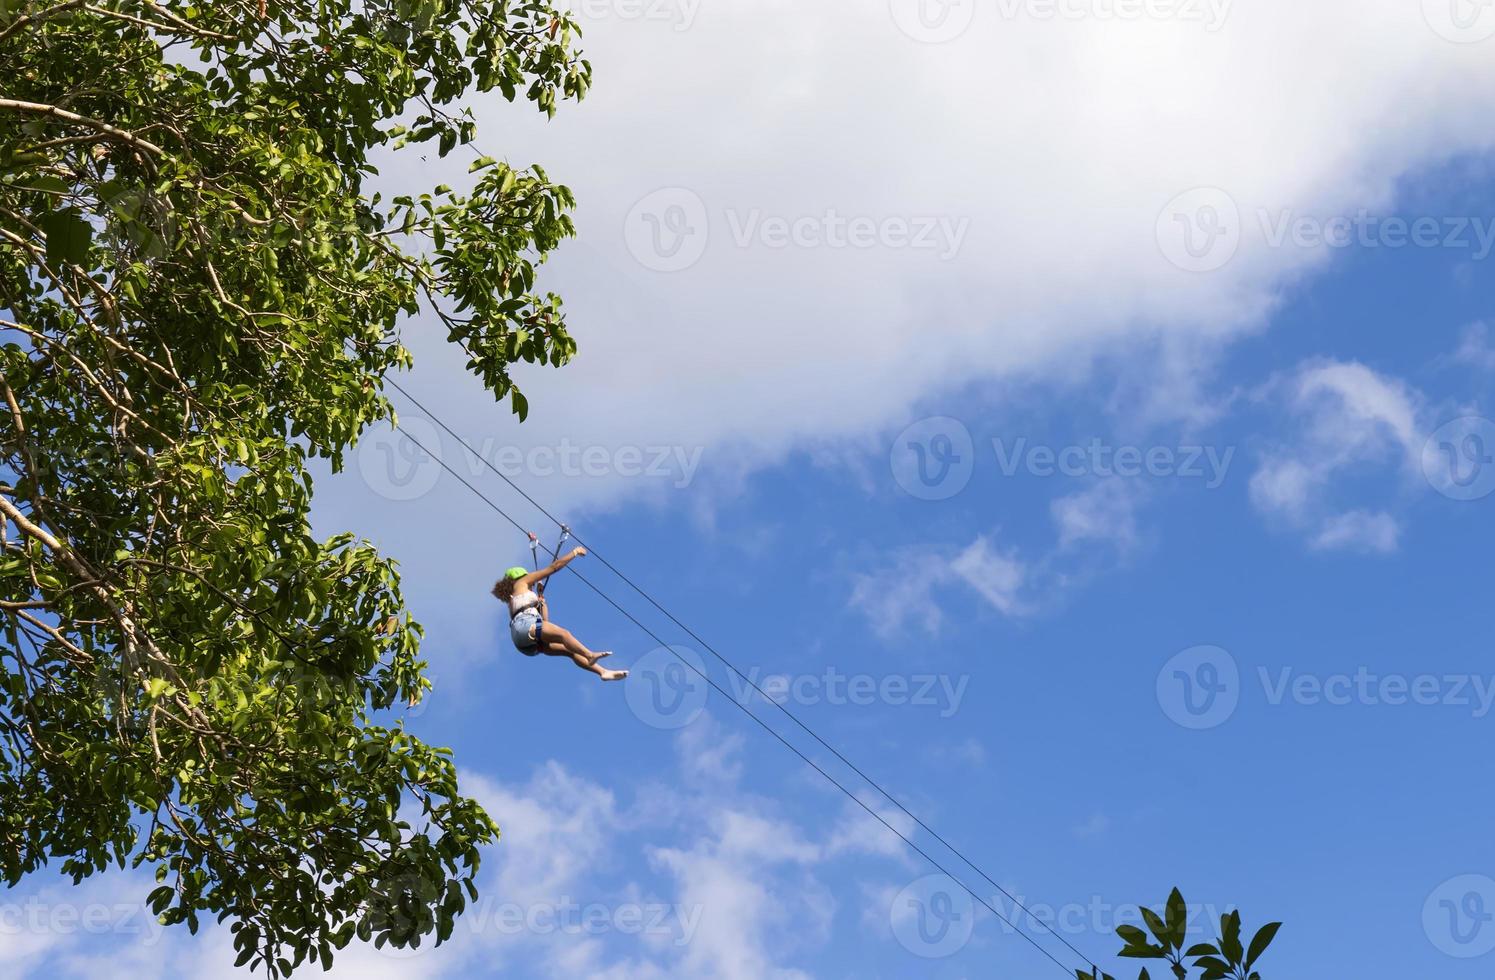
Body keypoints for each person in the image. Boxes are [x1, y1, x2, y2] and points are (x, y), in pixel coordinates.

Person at [492, 547, 627, 681]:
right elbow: (554, 567)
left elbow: (545, 622)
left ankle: (603, 672)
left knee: (570, 649)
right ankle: (589, 655)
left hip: (523, 642)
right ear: (521, 576)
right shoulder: (522, 581)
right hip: (525, 625)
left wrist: (542, 602)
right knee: (564, 634)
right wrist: (574, 553)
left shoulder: (515, 598)